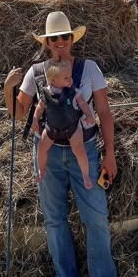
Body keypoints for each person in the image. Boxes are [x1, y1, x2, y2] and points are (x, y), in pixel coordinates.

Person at [4, 11, 125, 277]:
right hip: (48, 149)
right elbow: (19, 114)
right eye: (54, 38)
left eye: (65, 37)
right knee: (54, 218)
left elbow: (104, 114)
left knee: (96, 217)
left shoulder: (90, 69)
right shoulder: (36, 73)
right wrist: (8, 88)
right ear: (46, 43)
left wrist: (110, 153)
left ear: (72, 39)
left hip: (83, 147)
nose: (60, 42)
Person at [32, 59, 95, 189]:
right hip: (52, 127)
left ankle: (85, 175)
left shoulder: (73, 91)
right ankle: (41, 169)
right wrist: (34, 119)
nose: (70, 80)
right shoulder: (46, 93)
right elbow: (39, 108)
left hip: (72, 126)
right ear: (53, 81)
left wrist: (89, 115)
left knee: (79, 150)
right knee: (42, 148)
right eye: (66, 78)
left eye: (70, 76)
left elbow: (83, 104)